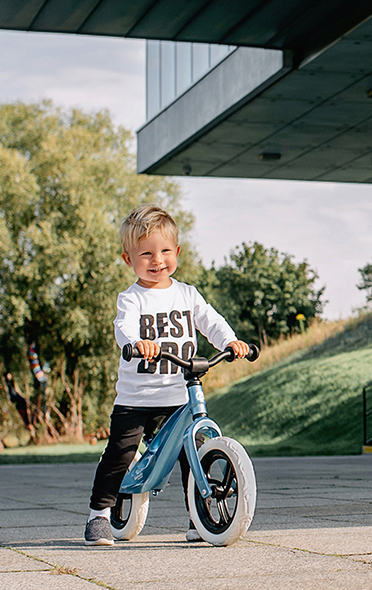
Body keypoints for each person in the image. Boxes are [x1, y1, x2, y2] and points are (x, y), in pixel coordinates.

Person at [84, 204, 250, 547]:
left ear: (177, 252)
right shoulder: (131, 298)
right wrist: (135, 342)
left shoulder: (187, 294)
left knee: (194, 453)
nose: (156, 260)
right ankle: (99, 515)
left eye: (164, 251)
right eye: (145, 253)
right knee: (120, 454)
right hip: (137, 398)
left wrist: (230, 341)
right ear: (129, 260)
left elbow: (211, 321)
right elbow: (123, 327)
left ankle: (199, 517)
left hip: (178, 395)